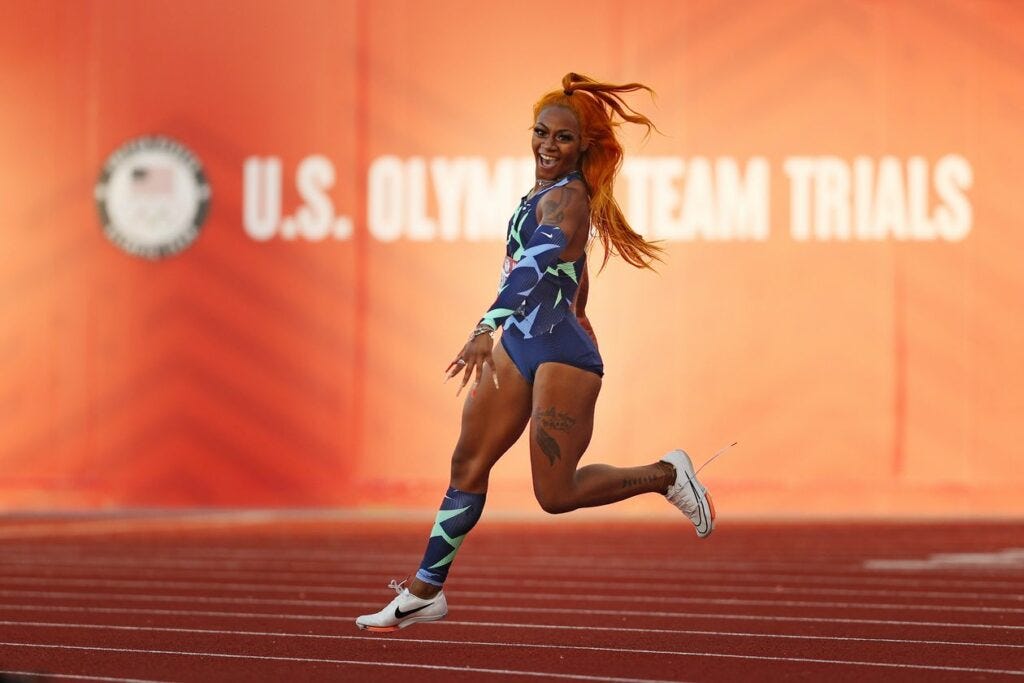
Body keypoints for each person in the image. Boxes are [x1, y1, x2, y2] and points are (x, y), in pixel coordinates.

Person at [356, 73, 714, 633]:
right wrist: (560, 309)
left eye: (564, 139)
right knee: (467, 465)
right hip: (521, 344)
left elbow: (534, 266)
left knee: (555, 493)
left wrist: (484, 327)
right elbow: (567, 277)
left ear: (584, 147)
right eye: (541, 133)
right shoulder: (539, 194)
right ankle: (426, 590)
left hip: (560, 355)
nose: (548, 146)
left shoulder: (569, 199)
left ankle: (667, 475)